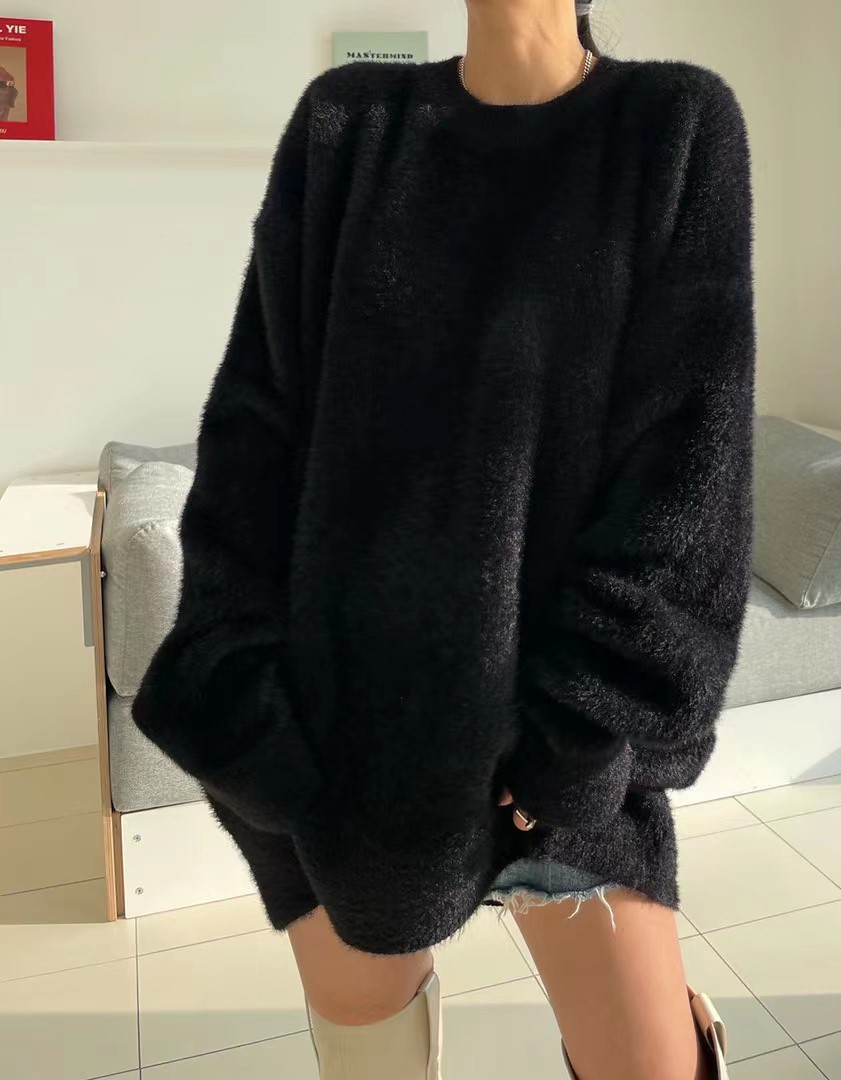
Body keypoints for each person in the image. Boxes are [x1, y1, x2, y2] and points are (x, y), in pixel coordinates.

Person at [131, 1, 755, 1077]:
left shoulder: (671, 121)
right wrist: (245, 700)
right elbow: (255, 423)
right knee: (371, 1058)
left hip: (556, 749)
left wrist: (579, 733)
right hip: (341, 748)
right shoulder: (350, 125)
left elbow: (691, 459)